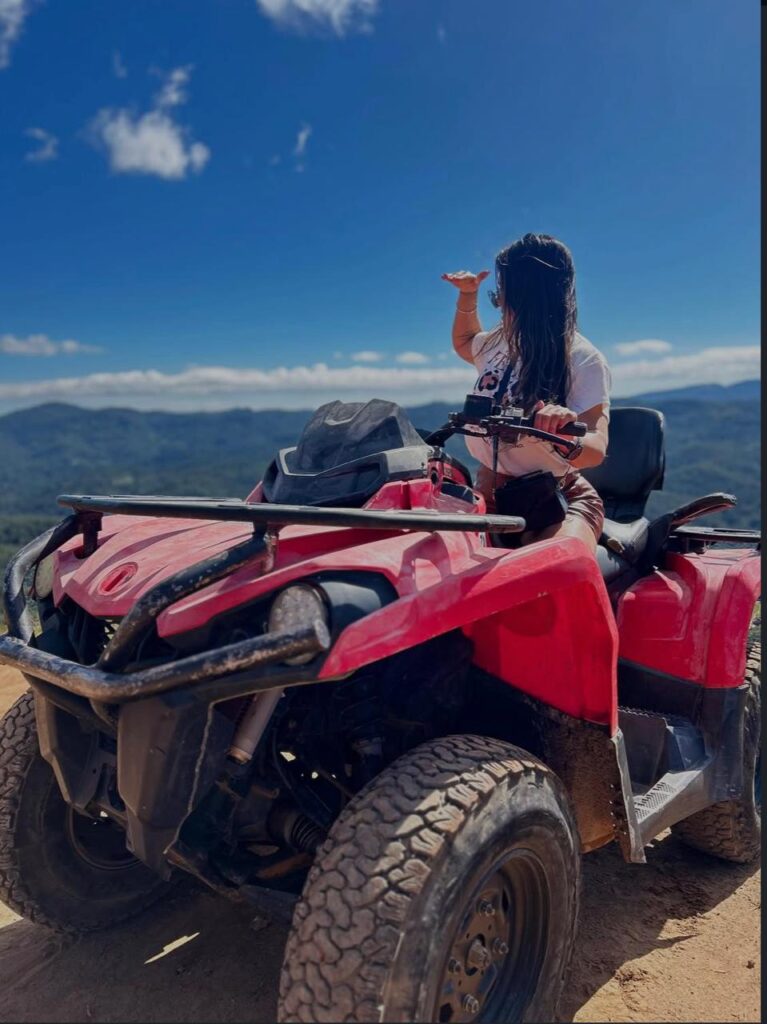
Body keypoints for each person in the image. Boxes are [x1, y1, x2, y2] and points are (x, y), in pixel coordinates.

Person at [442, 232, 610, 552]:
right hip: (488, 496)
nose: (499, 303)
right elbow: (466, 342)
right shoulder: (498, 342)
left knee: (550, 572)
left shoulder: (582, 358)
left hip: (554, 504)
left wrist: (564, 430)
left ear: (524, 298)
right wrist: (468, 295)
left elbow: (596, 448)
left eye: (501, 295)